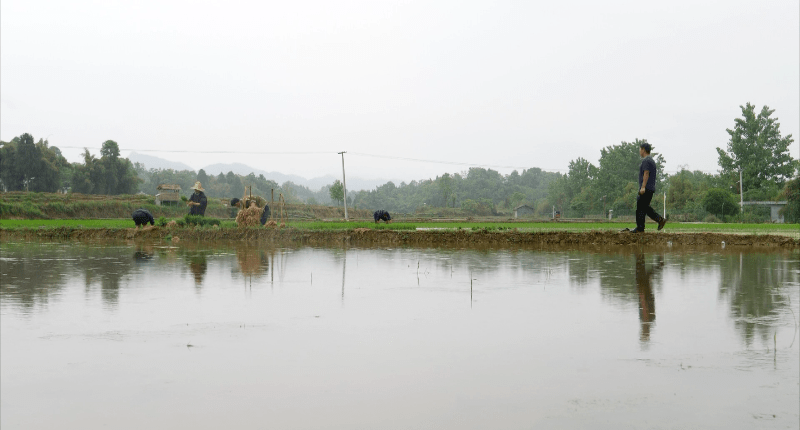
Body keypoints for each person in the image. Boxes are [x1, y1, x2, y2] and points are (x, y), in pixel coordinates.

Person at [629, 143, 666, 233]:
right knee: (645, 207)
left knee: (640, 207)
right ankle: (660, 219)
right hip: (650, 188)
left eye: (640, 149)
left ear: (643, 150)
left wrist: (643, 187)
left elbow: (646, 173)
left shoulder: (646, 160)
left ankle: (640, 228)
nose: (639, 151)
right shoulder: (651, 160)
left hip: (646, 188)